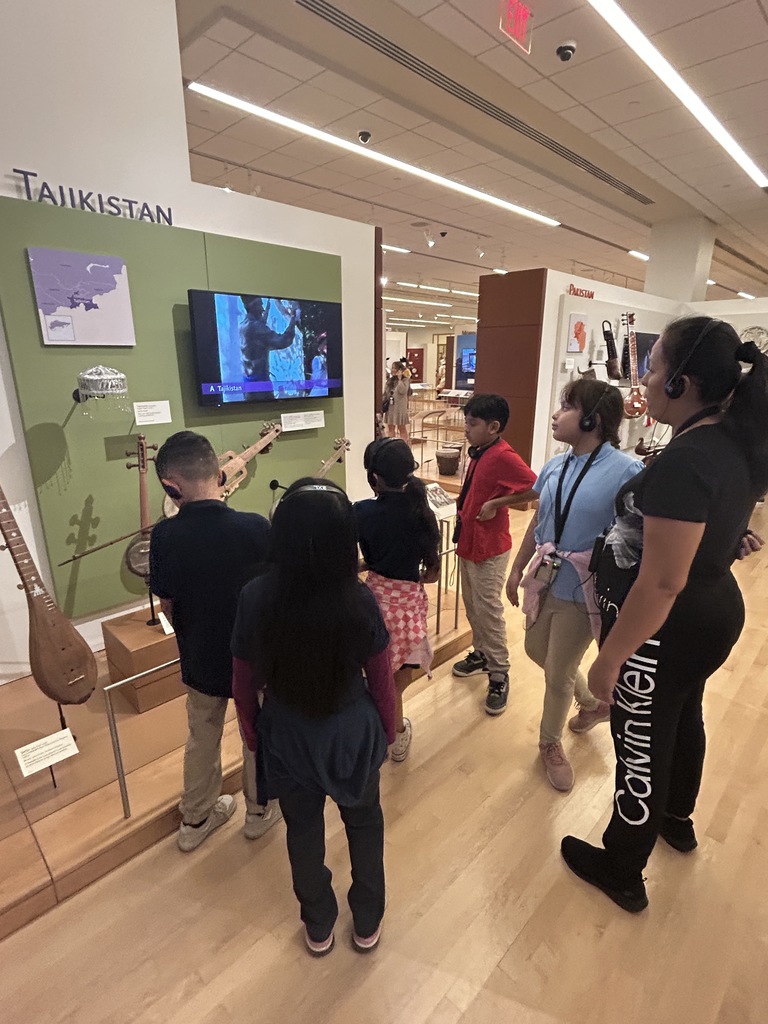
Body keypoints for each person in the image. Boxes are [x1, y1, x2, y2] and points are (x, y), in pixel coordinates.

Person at [560, 316, 768, 913]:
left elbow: (662, 580)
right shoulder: (736, 439)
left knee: (641, 738)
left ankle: (623, 866)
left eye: (652, 368)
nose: (643, 381)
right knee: (683, 714)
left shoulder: (690, 456)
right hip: (712, 610)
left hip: (669, 622)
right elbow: (714, 529)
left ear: (681, 382)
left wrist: (610, 660)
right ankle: (677, 820)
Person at [231, 479, 396, 957]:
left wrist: (254, 735)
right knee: (365, 825)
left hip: (287, 731)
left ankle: (318, 924)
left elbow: (242, 682)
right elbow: (381, 676)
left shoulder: (255, 596)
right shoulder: (359, 597)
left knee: (302, 831)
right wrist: (385, 732)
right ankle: (367, 919)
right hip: (351, 730)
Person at [506, 381, 642, 791]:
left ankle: (550, 743)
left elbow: (642, 535)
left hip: (586, 586)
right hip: (546, 576)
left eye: (566, 406)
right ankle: (593, 703)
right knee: (535, 650)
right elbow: (538, 519)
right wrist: (517, 568)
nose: (555, 413)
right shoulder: (555, 464)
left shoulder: (626, 472)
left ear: (591, 419)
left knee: (558, 671)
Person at [149, 431, 279, 852]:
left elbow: (167, 603)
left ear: (172, 486)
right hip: (252, 657)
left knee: (201, 732)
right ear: (218, 474)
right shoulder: (256, 527)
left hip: (200, 655)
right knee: (255, 731)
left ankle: (196, 819)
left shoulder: (165, 537)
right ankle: (259, 811)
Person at [451, 394, 538, 715]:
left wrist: (496, 504)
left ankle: (499, 671)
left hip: (489, 547)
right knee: (472, 604)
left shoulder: (503, 455)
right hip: (469, 541)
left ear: (493, 427)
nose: (466, 430)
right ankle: (481, 653)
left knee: (488, 609)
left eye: (472, 424)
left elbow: (536, 486)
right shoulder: (480, 451)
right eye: (466, 422)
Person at [355, 439, 441, 762]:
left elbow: (357, 561)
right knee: (398, 675)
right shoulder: (422, 512)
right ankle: (396, 730)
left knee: (377, 672)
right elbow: (431, 573)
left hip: (375, 599)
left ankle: (384, 728)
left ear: (374, 478)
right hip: (409, 607)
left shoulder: (361, 511)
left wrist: (371, 564)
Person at [385, 362, 410, 442]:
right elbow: (386, 392)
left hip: (400, 408)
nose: (393, 370)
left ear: (400, 370)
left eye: (395, 368)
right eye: (392, 368)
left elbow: (402, 390)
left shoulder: (405, 380)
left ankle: (404, 446)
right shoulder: (390, 381)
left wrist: (399, 379)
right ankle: (391, 444)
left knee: (401, 427)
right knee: (390, 427)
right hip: (391, 407)